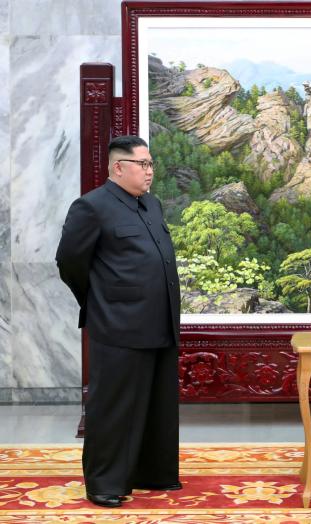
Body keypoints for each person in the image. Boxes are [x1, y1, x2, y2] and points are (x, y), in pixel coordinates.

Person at [56, 135, 181, 508]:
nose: (150, 171)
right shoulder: (91, 207)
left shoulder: (152, 205)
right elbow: (69, 263)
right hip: (118, 324)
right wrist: (100, 302)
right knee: (114, 406)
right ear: (118, 168)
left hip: (160, 322)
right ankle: (105, 484)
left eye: (151, 163)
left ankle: (153, 472)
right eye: (142, 164)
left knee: (157, 403)